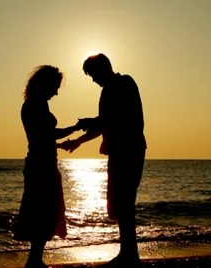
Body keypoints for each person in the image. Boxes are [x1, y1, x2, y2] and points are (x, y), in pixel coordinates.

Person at [59, 53, 147, 267]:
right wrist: (80, 139)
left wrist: (87, 128)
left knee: (123, 203)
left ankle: (129, 255)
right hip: (123, 151)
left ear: (103, 69)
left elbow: (110, 120)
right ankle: (129, 252)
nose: (93, 80)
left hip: (127, 151)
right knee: (121, 204)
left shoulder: (121, 84)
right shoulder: (115, 87)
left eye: (93, 75)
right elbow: (105, 123)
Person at [14, 65, 82, 268]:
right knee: (43, 211)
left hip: (42, 161)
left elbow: (41, 137)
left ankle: (35, 259)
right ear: (46, 84)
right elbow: (47, 134)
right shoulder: (35, 105)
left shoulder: (36, 104)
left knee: (44, 211)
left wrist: (61, 144)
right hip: (40, 165)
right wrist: (76, 128)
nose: (57, 91)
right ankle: (34, 260)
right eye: (56, 86)